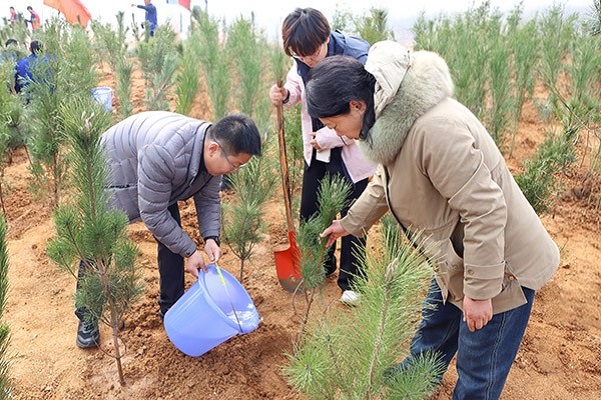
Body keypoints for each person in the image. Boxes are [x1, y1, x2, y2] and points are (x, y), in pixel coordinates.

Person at [307, 41, 560, 398]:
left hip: (502, 266)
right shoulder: (391, 123)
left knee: (478, 367)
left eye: (335, 124)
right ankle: (417, 377)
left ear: (357, 104)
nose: (338, 134)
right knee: (435, 327)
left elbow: (485, 210)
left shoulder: (435, 130)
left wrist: (480, 292)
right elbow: (385, 181)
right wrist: (351, 222)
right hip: (454, 253)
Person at [75, 111, 262, 348]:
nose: (234, 170)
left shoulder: (212, 150)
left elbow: (208, 198)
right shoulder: (164, 151)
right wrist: (190, 251)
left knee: (173, 239)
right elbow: (153, 214)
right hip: (111, 170)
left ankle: (172, 307)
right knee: (100, 241)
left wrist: (211, 237)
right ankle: (88, 314)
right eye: (235, 164)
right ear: (213, 149)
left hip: (158, 172)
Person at [268, 8, 376, 305]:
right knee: (311, 211)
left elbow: (368, 114)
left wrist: (332, 136)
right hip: (317, 150)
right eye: (299, 54)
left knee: (353, 215)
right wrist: (286, 95)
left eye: (312, 53)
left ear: (325, 37)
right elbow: (296, 83)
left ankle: (352, 280)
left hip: (351, 149)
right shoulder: (302, 57)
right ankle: (320, 265)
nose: (307, 59)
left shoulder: (358, 60)